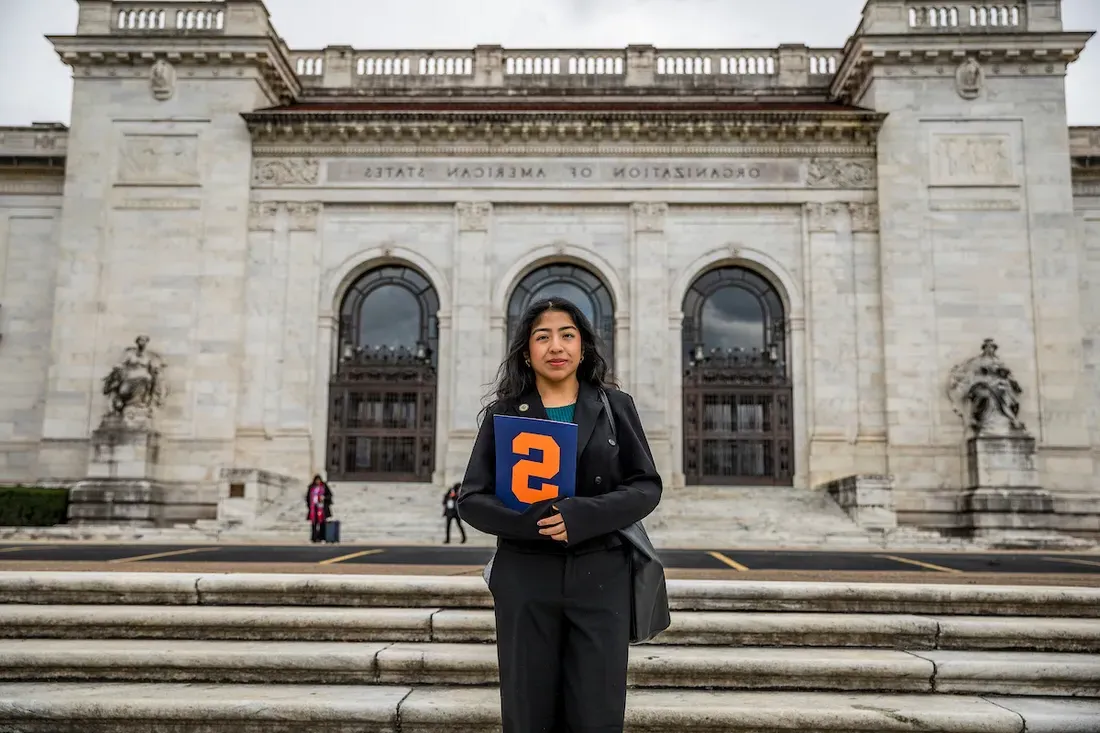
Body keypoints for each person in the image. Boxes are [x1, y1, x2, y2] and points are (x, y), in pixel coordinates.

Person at [457, 297, 662, 733]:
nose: (556, 346)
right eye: (542, 336)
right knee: (527, 711)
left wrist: (584, 514)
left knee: (598, 712)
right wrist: (529, 522)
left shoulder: (614, 405)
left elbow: (646, 486)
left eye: (567, 335)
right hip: (525, 576)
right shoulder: (504, 413)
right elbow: (472, 498)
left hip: (602, 572)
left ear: (583, 347)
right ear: (526, 351)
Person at [305, 474, 333, 543]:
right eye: (316, 480)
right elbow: (308, 497)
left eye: (318, 480)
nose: (317, 481)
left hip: (322, 508)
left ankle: (322, 537)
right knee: (314, 523)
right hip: (314, 508)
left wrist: (324, 498)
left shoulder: (324, 486)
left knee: (322, 523)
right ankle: (314, 537)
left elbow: (329, 495)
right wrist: (309, 505)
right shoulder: (311, 487)